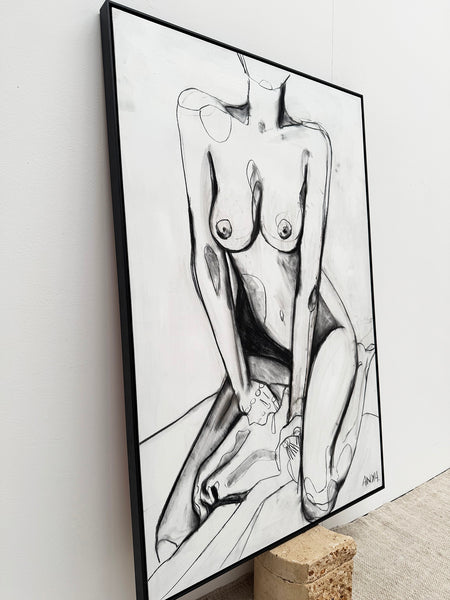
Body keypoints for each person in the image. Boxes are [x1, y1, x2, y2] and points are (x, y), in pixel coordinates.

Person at [155, 55, 365, 563]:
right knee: (168, 532)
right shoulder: (198, 119)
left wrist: (298, 406)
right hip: (258, 350)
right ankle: (260, 447)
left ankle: (347, 383)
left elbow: (308, 288)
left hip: (322, 340)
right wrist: (243, 385)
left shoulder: (311, 144)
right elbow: (208, 263)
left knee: (316, 496)